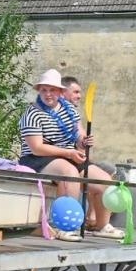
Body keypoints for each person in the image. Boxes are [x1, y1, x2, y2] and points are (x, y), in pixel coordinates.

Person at [18, 68, 117, 240]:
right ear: (39, 91)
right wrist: (69, 153)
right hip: (38, 158)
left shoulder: (69, 109)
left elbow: (78, 134)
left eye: (52, 90)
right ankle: (64, 227)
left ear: (60, 92)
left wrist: (83, 141)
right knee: (69, 174)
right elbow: (37, 148)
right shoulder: (32, 113)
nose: (48, 94)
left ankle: (102, 226)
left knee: (104, 180)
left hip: (68, 155)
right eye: (44, 90)